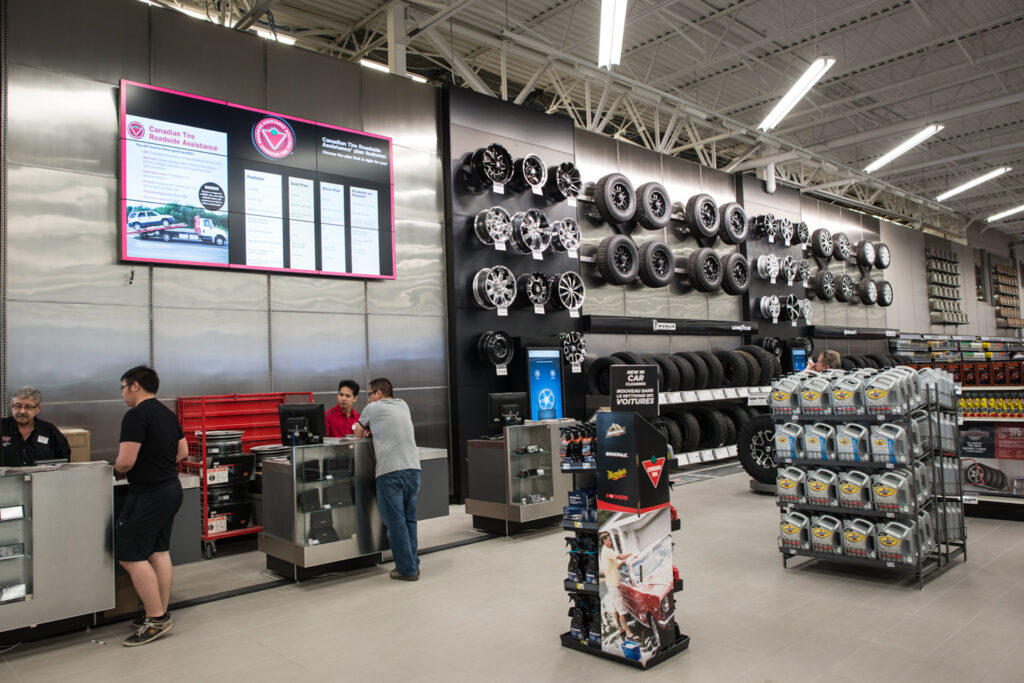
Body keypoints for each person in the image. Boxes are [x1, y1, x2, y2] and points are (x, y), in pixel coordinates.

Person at [114, 366, 188, 647]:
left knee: (130, 555)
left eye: (123, 387)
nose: (122, 393)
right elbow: (182, 452)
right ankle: (157, 610)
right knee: (159, 550)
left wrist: (114, 468)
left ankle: (156, 618)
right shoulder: (167, 413)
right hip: (171, 488)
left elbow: (125, 461)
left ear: (134, 386)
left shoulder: (135, 415)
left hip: (148, 493)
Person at [352, 378, 421, 581]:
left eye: (370, 393)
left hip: (390, 472)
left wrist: (365, 429)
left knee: (396, 523)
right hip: (413, 470)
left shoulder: (373, 408)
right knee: (409, 520)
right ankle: (412, 565)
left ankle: (406, 570)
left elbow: (357, 432)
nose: (369, 398)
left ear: (379, 393)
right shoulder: (403, 404)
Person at [1, 387, 71, 466]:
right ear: (11, 406)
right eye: (18, 406)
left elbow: (64, 461)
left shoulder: (50, 431)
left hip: (41, 478)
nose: (22, 411)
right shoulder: (2, 427)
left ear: (38, 408)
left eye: (28, 407)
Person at [599, 531, 636, 642]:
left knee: (616, 608)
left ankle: (620, 629)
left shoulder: (606, 552)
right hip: (613, 584)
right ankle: (628, 631)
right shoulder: (607, 551)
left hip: (611, 583)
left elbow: (617, 565)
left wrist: (625, 561)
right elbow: (621, 556)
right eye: (609, 540)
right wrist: (631, 554)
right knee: (621, 609)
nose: (610, 542)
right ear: (604, 541)